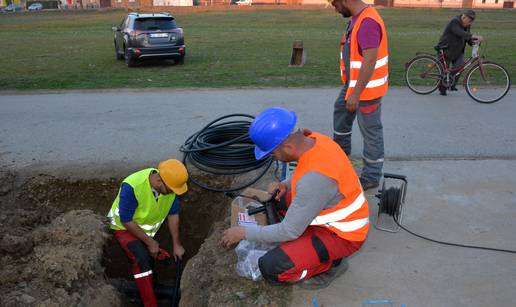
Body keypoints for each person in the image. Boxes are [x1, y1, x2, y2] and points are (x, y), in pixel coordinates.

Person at [221, 107, 369, 289]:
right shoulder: (317, 141)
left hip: (342, 235)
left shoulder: (314, 181)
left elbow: (289, 231)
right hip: (327, 206)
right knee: (277, 200)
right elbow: (307, 170)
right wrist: (284, 184)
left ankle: (330, 264)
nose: (273, 158)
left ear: (288, 147)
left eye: (273, 153)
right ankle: (307, 245)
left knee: (272, 268)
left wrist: (244, 232)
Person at [107, 159, 188, 307]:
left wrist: (177, 244)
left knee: (148, 256)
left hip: (143, 230)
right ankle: (150, 303)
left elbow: (173, 214)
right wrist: (150, 243)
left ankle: (154, 285)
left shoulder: (168, 187)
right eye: (171, 189)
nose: (173, 193)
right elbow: (126, 220)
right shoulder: (132, 186)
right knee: (142, 260)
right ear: (158, 181)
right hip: (124, 228)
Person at [330, 0, 388, 191]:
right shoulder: (357, 18)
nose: (333, 6)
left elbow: (370, 60)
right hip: (353, 86)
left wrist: (356, 93)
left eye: (334, 2)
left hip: (366, 91)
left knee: (371, 132)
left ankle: (371, 176)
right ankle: (340, 153)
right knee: (341, 111)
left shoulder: (367, 23)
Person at [436, 10, 482, 96]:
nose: (469, 24)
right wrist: (472, 36)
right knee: (444, 72)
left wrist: (474, 42)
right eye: (468, 21)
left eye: (471, 22)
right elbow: (459, 32)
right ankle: (442, 88)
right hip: (446, 49)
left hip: (458, 51)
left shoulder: (467, 25)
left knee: (460, 67)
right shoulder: (454, 21)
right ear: (464, 17)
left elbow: (466, 36)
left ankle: (451, 85)